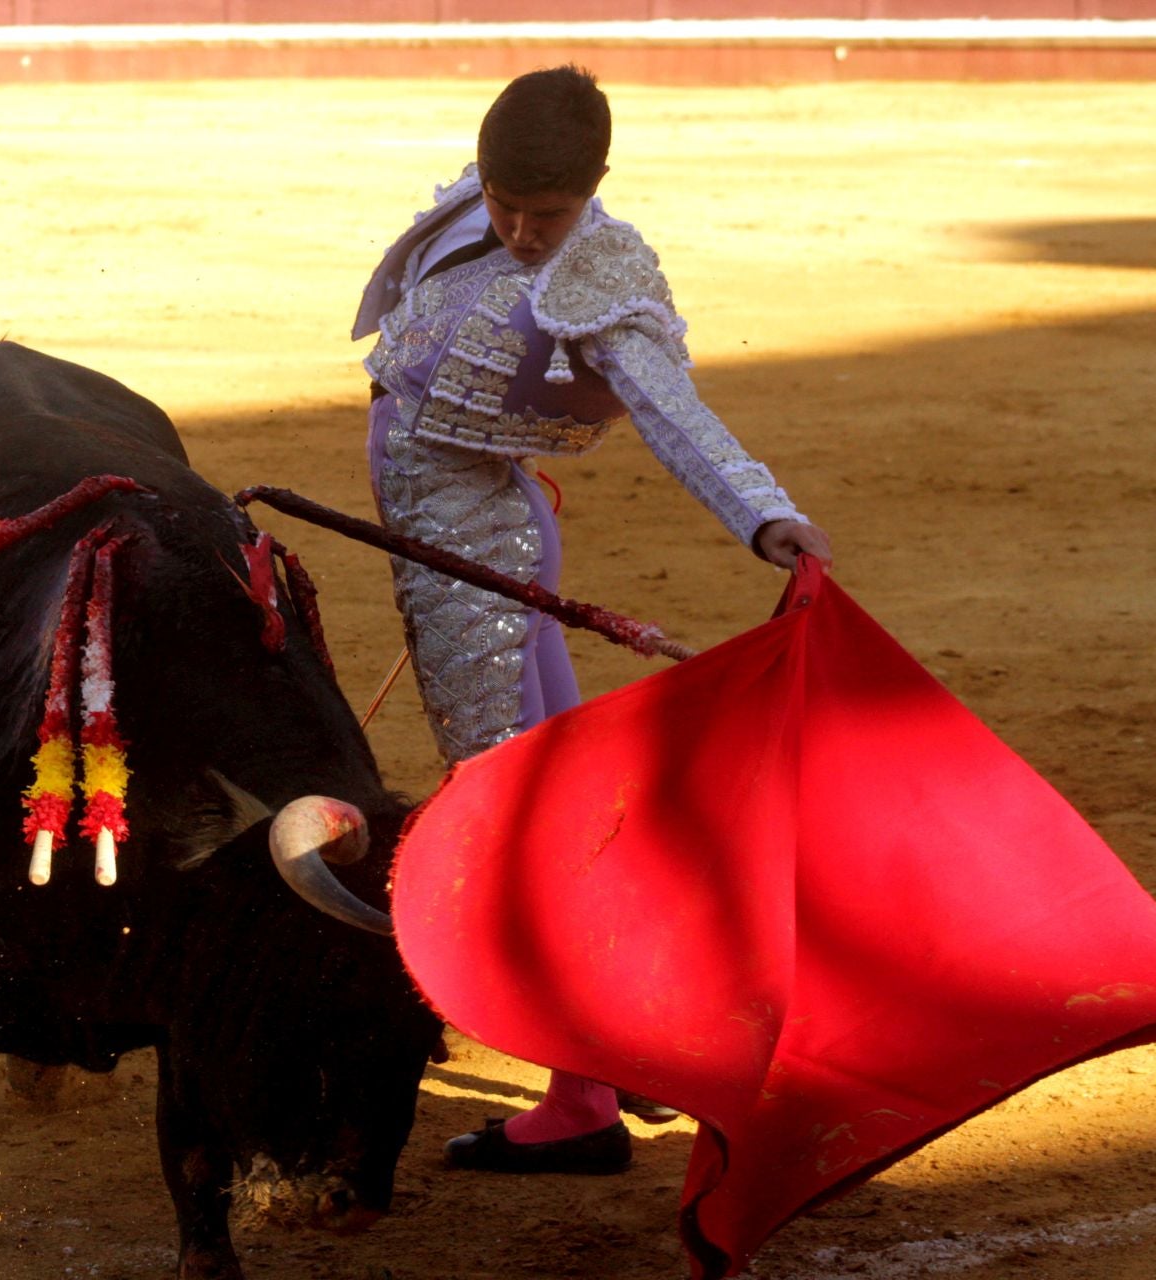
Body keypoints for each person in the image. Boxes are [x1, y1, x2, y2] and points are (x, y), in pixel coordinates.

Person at [353, 65, 834, 1175]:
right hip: (470, 523)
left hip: (478, 554)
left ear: (596, 188)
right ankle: (636, 1040)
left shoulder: (598, 272)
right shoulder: (479, 203)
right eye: (506, 203)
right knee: (560, 801)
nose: (521, 232)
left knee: (513, 816)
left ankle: (584, 1092)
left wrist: (767, 518)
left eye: (548, 214)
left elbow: (676, 410)